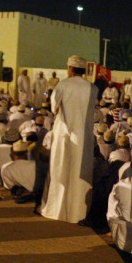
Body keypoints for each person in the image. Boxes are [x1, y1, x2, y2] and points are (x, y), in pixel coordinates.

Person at [40, 55, 97, 223]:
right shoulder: (92, 88)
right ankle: (78, 212)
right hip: (84, 138)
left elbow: (55, 109)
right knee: (80, 172)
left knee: (59, 170)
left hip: (63, 135)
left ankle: (56, 210)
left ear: (70, 69)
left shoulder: (63, 85)